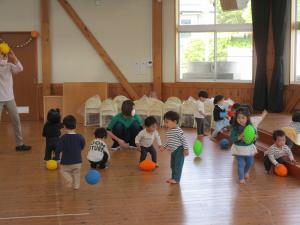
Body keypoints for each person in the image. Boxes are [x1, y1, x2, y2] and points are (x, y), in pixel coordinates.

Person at [0, 48, 31, 151]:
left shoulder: (9, 66)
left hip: (9, 98)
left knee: (16, 120)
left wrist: (14, 57)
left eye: (5, 56)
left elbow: (20, 68)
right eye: (2, 55)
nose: (4, 57)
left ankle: (19, 144)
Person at [159, 111, 189, 184]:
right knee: (172, 165)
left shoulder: (178, 131)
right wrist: (164, 147)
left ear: (175, 122)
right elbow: (169, 140)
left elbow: (184, 140)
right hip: (173, 151)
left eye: (167, 122)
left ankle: (176, 179)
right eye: (165, 122)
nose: (165, 124)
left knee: (178, 165)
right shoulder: (169, 131)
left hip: (179, 149)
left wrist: (186, 149)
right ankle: (173, 177)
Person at [230, 108, 257, 184]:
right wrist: (239, 137)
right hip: (239, 150)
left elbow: (255, 135)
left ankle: (245, 172)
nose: (240, 120)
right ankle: (241, 178)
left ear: (247, 118)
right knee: (240, 164)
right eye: (238, 118)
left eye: (243, 118)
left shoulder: (250, 127)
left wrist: (255, 137)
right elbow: (232, 138)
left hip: (249, 149)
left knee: (249, 163)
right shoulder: (235, 128)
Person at [59, 115, 85, 190]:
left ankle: (69, 179)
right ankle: (76, 186)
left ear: (64, 126)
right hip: (78, 162)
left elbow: (59, 149)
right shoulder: (80, 137)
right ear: (76, 125)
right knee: (76, 174)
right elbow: (82, 145)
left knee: (63, 171)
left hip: (65, 162)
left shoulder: (63, 138)